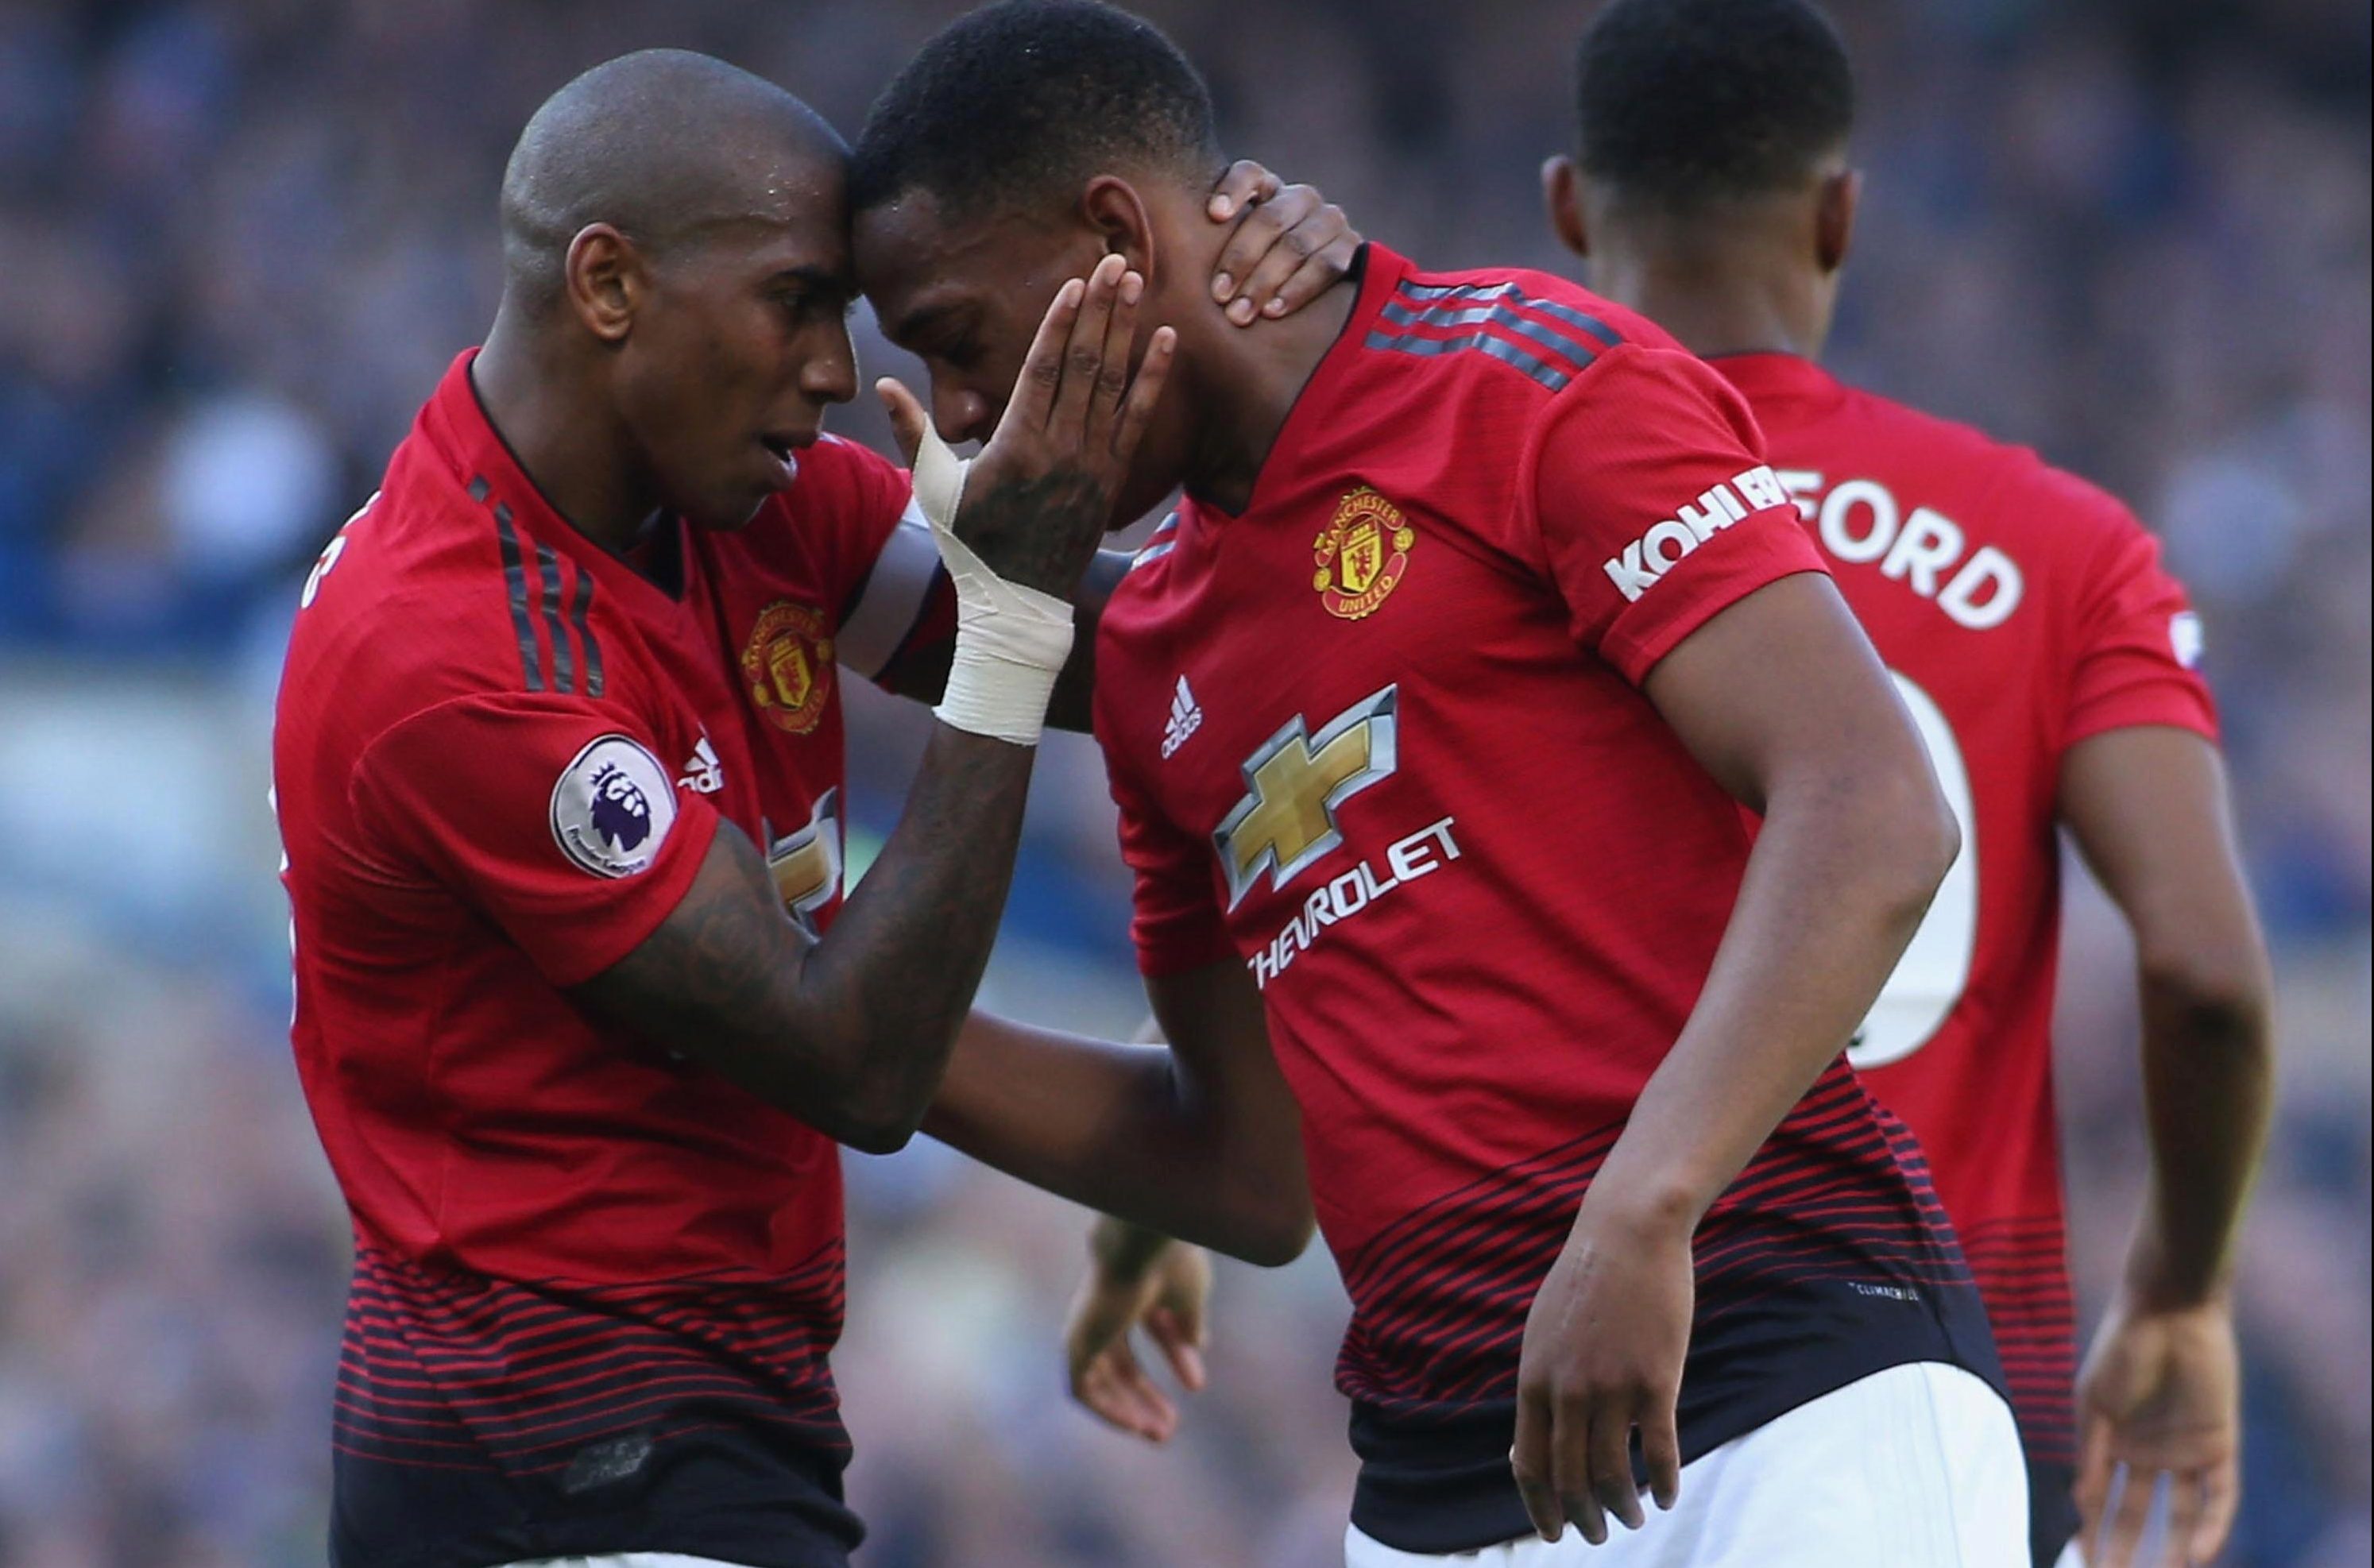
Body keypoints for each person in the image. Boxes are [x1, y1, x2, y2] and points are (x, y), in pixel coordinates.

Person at [850, 3, 2021, 1562]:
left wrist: (1644, 1208)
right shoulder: (1150, 656)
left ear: (1117, 238)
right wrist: (822, 1022)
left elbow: (1873, 806)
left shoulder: (1517, 379)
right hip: (1437, 1499)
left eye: (959, 341)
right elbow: (1247, 1170)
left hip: (1790, 1396)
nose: (962, 411)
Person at [271, 47, 1355, 1568]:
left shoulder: (740, 506)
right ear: (609, 285)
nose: (839, 372)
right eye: (796, 302)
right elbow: (856, 1059)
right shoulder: (447, 657)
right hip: (557, 1472)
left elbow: (1149, 658)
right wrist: (1008, 620)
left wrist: (1271, 359)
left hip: (699, 1435)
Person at [1525, 4, 2275, 1563]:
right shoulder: (2063, 546)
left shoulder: (1477, 540)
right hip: (1921, 1427)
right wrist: (2179, 1293)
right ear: (1842, 213)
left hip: (1540, 1419)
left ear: (1573, 209)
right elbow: (2208, 975)